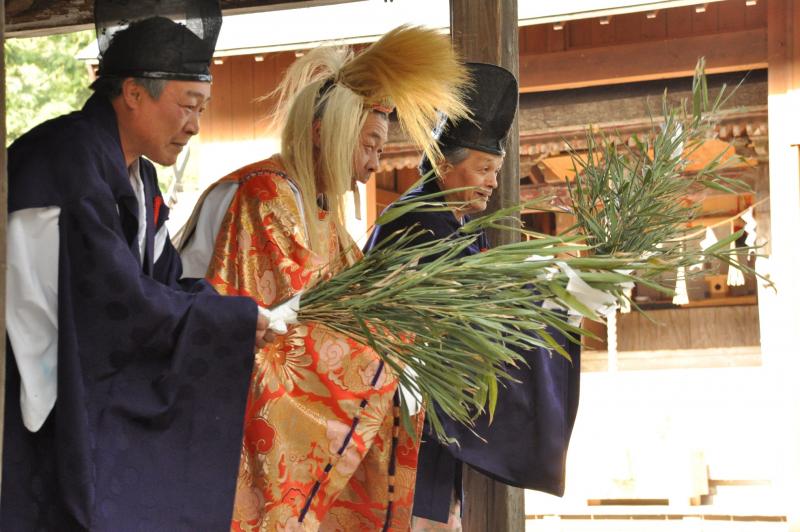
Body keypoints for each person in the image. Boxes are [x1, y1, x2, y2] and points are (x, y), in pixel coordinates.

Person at [176, 26, 470, 530]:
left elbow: (353, 295)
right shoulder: (266, 195)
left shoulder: (316, 210)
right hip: (207, 403)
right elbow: (303, 330)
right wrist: (393, 332)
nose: (373, 166)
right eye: (370, 146)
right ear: (325, 133)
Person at [1, 1, 271, 530]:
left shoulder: (138, 178)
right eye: (188, 105)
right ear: (131, 93)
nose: (195, 125)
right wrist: (228, 323)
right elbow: (116, 299)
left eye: (202, 108)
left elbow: (166, 280)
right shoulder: (68, 157)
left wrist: (239, 315)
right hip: (36, 395)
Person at [365, 63, 582, 529]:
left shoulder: (453, 222)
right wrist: (561, 295)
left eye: (496, 170)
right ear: (445, 164)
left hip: (431, 416)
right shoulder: (419, 222)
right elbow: (474, 300)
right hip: (407, 414)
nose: (492, 181)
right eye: (483, 168)